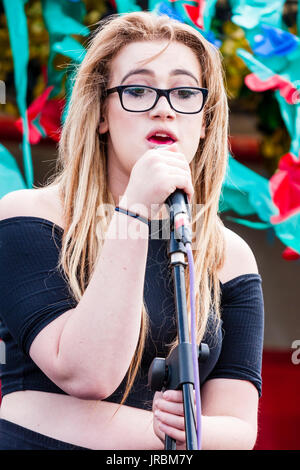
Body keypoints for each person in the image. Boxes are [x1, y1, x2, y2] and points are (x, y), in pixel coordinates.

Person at [0, 11, 264, 450]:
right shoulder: (31, 217)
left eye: (183, 92)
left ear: (204, 123)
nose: (163, 107)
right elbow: (89, 372)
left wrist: (181, 431)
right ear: (102, 112)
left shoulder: (227, 255)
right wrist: (135, 208)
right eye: (138, 90)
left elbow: (238, 430)